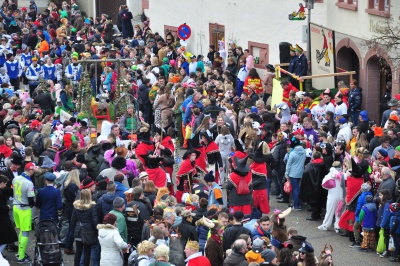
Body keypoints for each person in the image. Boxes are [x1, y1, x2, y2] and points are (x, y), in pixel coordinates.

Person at [12, 162, 36, 264]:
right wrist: (32, 205)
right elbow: (31, 200)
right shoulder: (29, 183)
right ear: (31, 170)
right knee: (25, 232)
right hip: (24, 209)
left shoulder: (15, 178)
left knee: (21, 230)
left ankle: (19, 252)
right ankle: (21, 257)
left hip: (15, 207)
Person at [70, 189, 99, 266]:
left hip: (78, 230)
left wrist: (73, 231)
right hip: (88, 232)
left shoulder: (76, 206)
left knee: (78, 251)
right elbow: (94, 221)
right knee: (87, 251)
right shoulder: (92, 207)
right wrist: (97, 231)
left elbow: (73, 220)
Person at [285, 138, 306, 211]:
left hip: (293, 173)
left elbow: (288, 165)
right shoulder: (303, 151)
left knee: (295, 189)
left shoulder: (293, 153)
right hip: (300, 173)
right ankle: (299, 204)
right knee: (298, 188)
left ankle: (296, 205)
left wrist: (287, 174)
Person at [0, 175, 18, 259]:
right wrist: (7, 207)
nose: (5, 186)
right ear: (2, 183)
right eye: (5, 184)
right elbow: (1, 207)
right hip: (2, 218)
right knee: (8, 237)